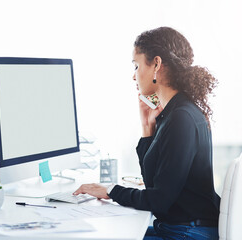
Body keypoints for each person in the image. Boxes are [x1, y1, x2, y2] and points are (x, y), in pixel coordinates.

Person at [73, 26, 220, 240]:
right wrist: (147, 129)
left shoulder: (181, 118)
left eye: (136, 66)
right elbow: (154, 185)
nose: (134, 76)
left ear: (156, 65)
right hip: (179, 228)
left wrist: (111, 190)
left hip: (188, 233)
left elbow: (158, 200)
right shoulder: (175, 113)